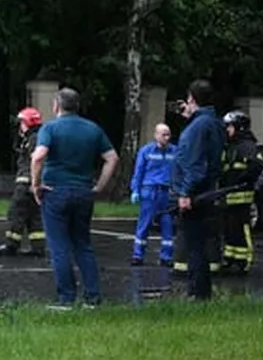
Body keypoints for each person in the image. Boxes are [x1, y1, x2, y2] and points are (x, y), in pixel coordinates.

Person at [29, 87, 119, 310]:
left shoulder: (50, 128)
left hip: (56, 191)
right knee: (82, 244)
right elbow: (112, 158)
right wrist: (99, 186)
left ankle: (66, 298)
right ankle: (93, 297)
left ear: (56, 105)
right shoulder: (92, 129)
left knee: (59, 246)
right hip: (83, 191)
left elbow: (39, 156)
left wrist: (36, 184)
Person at [171, 79, 226, 301]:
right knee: (200, 242)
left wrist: (185, 192)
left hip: (195, 192)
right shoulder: (212, 122)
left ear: (191, 98)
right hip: (205, 190)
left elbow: (194, 163)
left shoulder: (199, 126)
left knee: (194, 245)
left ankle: (198, 293)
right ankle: (201, 291)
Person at [0, 107, 47, 257]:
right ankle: (38, 248)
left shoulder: (33, 139)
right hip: (32, 184)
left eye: (22, 122)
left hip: (26, 184)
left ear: (29, 122)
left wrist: (31, 182)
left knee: (16, 213)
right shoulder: (35, 138)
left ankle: (11, 246)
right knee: (33, 216)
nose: (20, 126)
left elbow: (36, 162)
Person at [219, 110, 263, 274]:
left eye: (229, 126)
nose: (227, 130)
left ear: (239, 127)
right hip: (228, 195)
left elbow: (257, 165)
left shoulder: (247, 146)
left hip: (242, 196)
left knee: (241, 228)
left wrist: (243, 180)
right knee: (229, 229)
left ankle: (245, 260)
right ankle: (231, 257)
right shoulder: (231, 147)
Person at [129, 123, 178, 267]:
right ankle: (138, 255)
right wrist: (135, 190)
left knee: (167, 225)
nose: (166, 137)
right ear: (156, 135)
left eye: (168, 134)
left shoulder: (174, 151)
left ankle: (166, 256)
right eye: (163, 134)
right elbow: (139, 172)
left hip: (167, 192)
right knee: (144, 224)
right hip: (149, 191)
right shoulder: (146, 151)